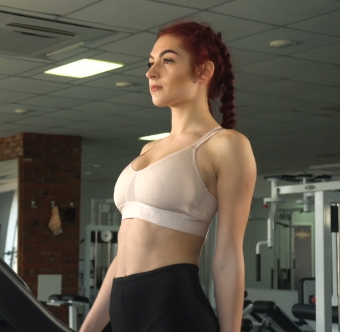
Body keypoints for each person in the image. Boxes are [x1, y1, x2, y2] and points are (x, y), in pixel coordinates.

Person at [79, 21, 257, 332]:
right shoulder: (149, 148)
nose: (151, 72)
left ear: (203, 72)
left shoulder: (226, 146)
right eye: (151, 63)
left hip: (173, 312)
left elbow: (227, 256)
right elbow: (125, 256)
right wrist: (88, 329)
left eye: (168, 60)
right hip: (124, 312)